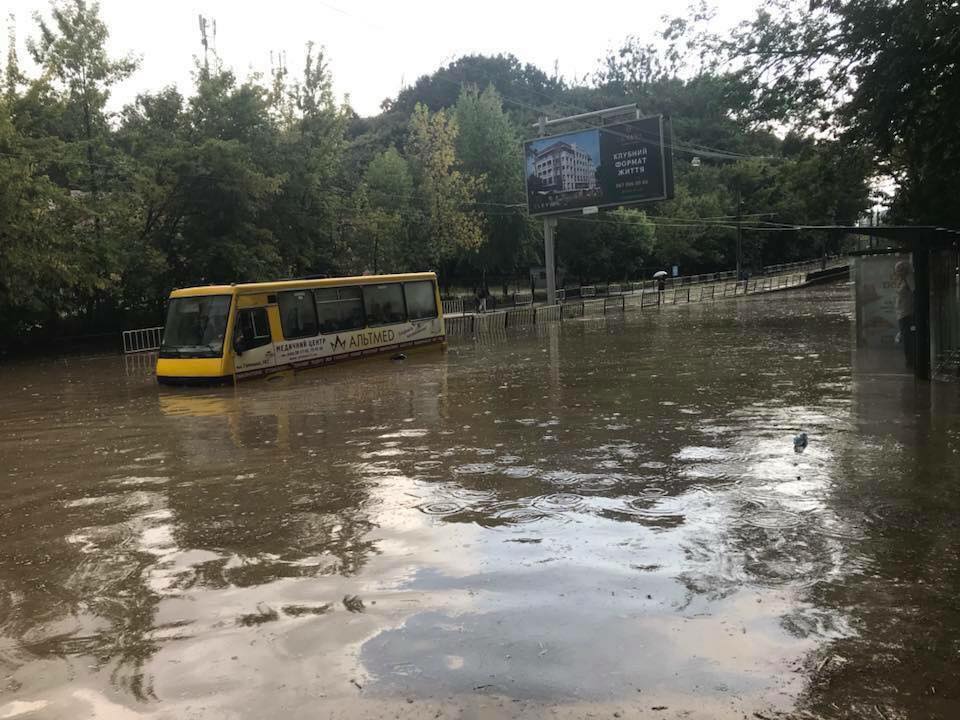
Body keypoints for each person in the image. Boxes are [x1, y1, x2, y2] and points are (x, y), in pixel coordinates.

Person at [893, 259, 915, 369]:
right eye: (897, 270)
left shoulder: (909, 279)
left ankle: (910, 360)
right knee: (905, 337)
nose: (897, 272)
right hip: (902, 313)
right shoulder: (902, 280)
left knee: (907, 338)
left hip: (907, 313)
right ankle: (909, 359)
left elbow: (915, 293)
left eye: (899, 270)